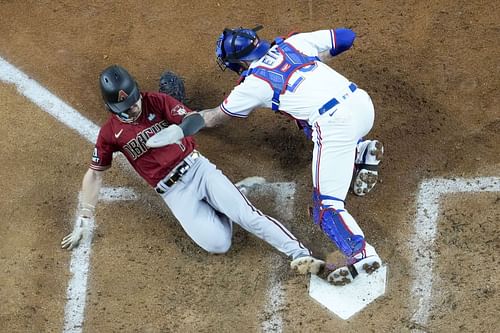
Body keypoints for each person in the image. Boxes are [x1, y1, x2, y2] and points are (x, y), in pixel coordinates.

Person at [150, 26, 384, 285]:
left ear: (237, 61)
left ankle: (360, 254)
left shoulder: (253, 85)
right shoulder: (295, 43)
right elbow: (346, 37)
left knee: (325, 208)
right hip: (362, 106)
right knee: (307, 124)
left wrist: (182, 120)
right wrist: (312, 63)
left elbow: (215, 118)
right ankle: (363, 151)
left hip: (335, 127)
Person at [60, 64, 324, 277]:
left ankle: (299, 253)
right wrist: (85, 216)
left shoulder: (157, 101)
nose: (134, 107)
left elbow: (196, 119)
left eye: (134, 100)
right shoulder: (110, 134)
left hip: (197, 169)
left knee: (247, 216)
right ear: (112, 108)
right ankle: (233, 194)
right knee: (218, 244)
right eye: (126, 107)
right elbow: (95, 173)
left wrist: (180, 129)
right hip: (173, 192)